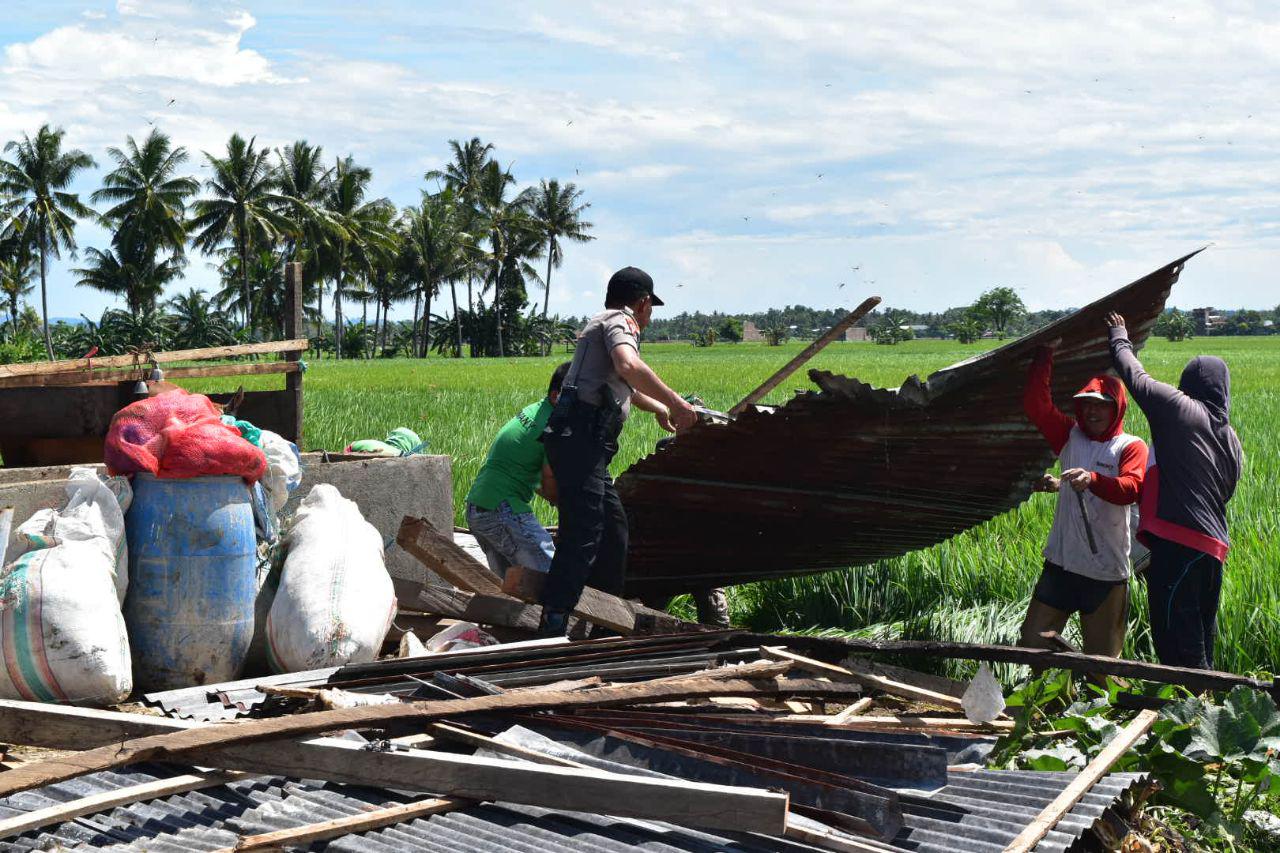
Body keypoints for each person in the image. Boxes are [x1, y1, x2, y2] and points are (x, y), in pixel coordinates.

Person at [538, 266, 698, 637]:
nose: (650, 315)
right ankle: (553, 624)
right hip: (580, 440)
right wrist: (677, 403)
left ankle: (603, 623)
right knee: (584, 530)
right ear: (642, 304)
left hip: (582, 444)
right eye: (651, 308)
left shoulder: (602, 321)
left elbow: (627, 384)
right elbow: (628, 364)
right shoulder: (619, 321)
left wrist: (661, 409)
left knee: (612, 530)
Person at [1107, 312, 1242, 669]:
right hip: (1213, 551)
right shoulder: (1231, 439)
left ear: (1187, 384)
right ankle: (1209, 712)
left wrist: (1119, 336)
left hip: (1180, 547)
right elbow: (1225, 490)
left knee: (1176, 647)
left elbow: (1135, 377)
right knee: (1199, 636)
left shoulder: (1180, 409)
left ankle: (1192, 718)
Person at [1019, 344, 1148, 657]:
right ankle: (1055, 704)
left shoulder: (1130, 447)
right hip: (1061, 564)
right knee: (1033, 645)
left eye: (1101, 405)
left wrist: (1093, 480)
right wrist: (1044, 355)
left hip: (1105, 573)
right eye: (1087, 405)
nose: (1092, 412)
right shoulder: (1070, 435)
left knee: (1102, 662)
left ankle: (1095, 706)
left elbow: (1131, 488)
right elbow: (1036, 405)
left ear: (1116, 408)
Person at [464, 363, 571, 579]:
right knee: (551, 579)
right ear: (555, 395)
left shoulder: (535, 412)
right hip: (502, 510)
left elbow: (527, 472)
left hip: (478, 506)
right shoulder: (554, 424)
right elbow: (549, 479)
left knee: (513, 588)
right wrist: (568, 508)